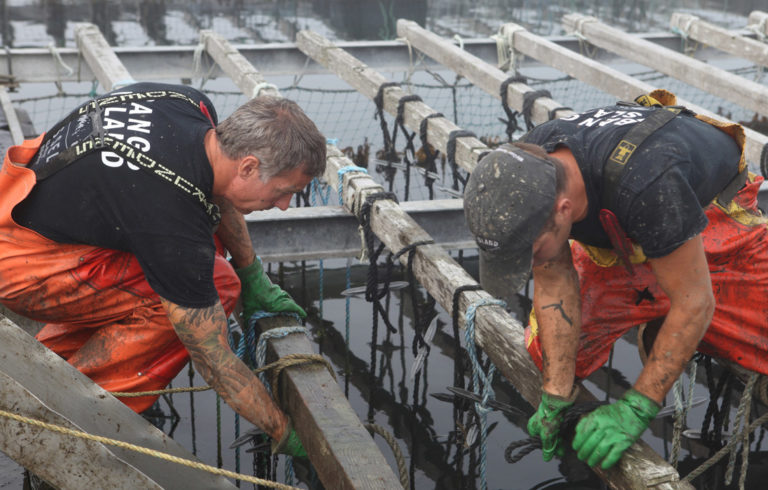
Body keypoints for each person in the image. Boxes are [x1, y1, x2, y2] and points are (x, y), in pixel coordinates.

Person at [0, 82, 327, 458]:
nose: (285, 205)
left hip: (19, 208)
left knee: (205, 255)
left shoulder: (191, 108)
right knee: (213, 287)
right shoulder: (169, 213)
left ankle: (57, 355)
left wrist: (252, 274)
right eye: (282, 191)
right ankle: (79, 407)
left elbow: (216, 190)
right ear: (249, 165)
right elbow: (212, 359)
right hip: (25, 269)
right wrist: (284, 431)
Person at [463, 89, 768, 470]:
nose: (528, 264)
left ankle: (662, 319)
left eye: (530, 252)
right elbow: (555, 279)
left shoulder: (650, 180)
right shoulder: (532, 168)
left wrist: (637, 407)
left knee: (703, 314)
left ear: (563, 210)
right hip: (624, 229)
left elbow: (695, 301)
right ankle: (657, 313)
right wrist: (556, 393)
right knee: (550, 354)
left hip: (711, 217)